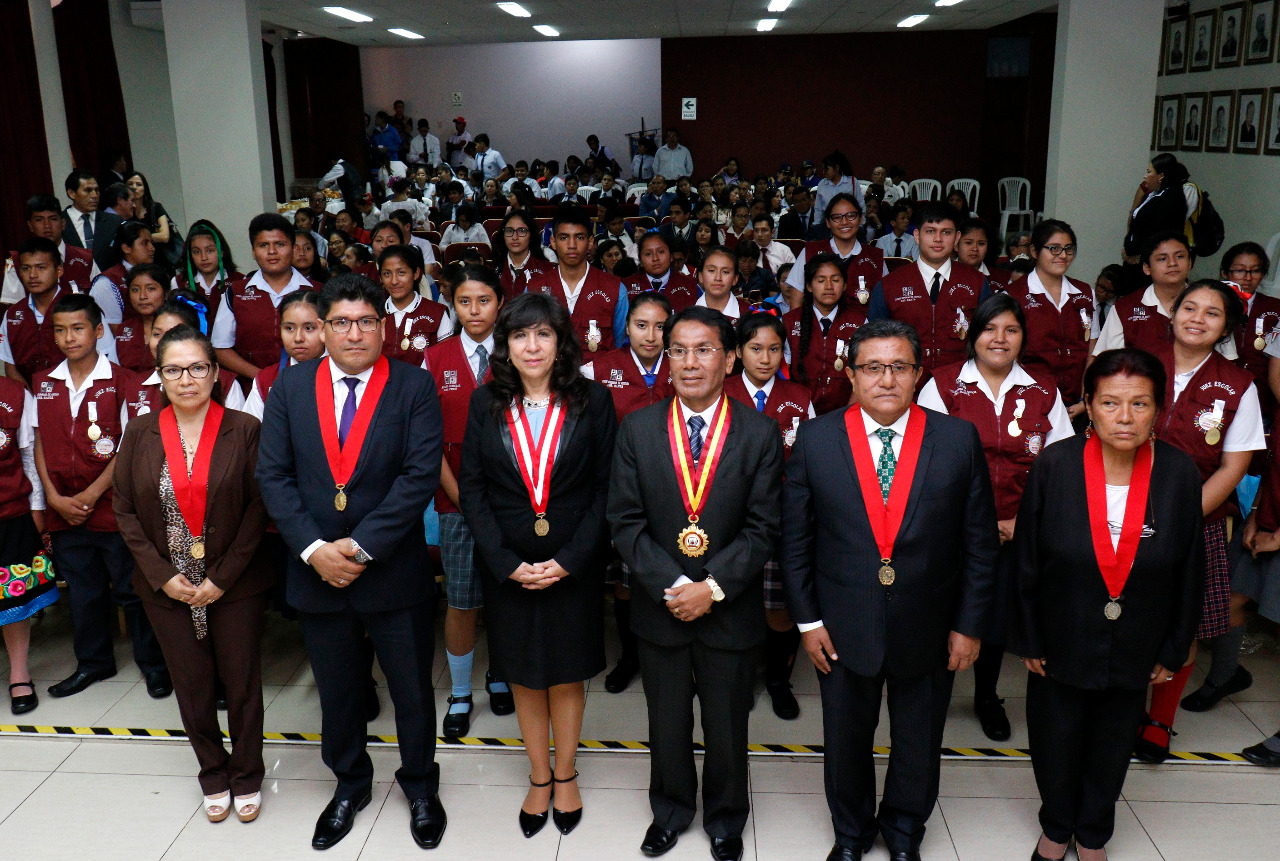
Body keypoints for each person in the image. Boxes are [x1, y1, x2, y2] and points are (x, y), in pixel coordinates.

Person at [781, 318, 998, 861]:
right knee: (846, 741)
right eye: (873, 367)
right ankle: (851, 835)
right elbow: (796, 542)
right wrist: (807, 623)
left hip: (929, 622)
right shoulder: (816, 438)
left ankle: (903, 832)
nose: (886, 379)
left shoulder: (956, 439)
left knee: (919, 742)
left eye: (899, 367)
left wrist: (969, 626)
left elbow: (979, 545)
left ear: (919, 373)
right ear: (851, 375)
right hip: (842, 623)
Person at [256, 273, 448, 851]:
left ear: (383, 327)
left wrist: (360, 548)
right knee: (338, 691)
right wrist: (316, 550)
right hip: (317, 570)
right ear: (322, 329)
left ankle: (419, 786)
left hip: (392, 569)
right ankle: (349, 785)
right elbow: (275, 475)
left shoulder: (413, 386)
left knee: (412, 689)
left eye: (367, 321)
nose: (354, 333)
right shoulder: (291, 390)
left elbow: (419, 478)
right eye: (340, 322)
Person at [1010, 349, 1203, 861]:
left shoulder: (1179, 473)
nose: (1125, 417)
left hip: (1138, 635)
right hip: (1061, 631)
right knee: (1056, 737)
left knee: (1114, 741)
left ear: (1158, 410)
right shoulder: (1055, 464)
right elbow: (1026, 558)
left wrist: (1175, 643)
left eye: (1139, 404)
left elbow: (1190, 567)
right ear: (1088, 407)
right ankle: (1056, 827)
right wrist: (1027, 634)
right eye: (1111, 403)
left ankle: (1094, 832)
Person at [609, 306, 782, 861]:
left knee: (728, 721)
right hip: (661, 606)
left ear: (730, 358)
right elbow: (625, 521)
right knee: (666, 719)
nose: (688, 362)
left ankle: (727, 817)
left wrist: (711, 587)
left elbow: (764, 526)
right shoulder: (637, 428)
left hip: (729, 607)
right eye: (678, 349)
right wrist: (674, 584)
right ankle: (670, 810)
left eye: (703, 349)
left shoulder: (759, 433)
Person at [457, 291, 614, 838]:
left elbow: (605, 490)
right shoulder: (485, 402)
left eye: (543, 334)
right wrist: (504, 562)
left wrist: (571, 559)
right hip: (510, 563)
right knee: (523, 671)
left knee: (567, 670)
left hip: (574, 561)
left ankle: (567, 773)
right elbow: (472, 489)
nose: (531, 345)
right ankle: (540, 775)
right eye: (520, 335)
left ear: (561, 341)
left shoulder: (594, 401)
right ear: (505, 345)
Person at [113, 324, 270, 824]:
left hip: (233, 582)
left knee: (242, 683)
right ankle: (212, 773)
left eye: (198, 367)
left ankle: (246, 773)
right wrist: (161, 576)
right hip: (168, 586)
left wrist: (223, 576)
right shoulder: (139, 433)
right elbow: (123, 510)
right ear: (159, 377)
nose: (187, 379)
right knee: (192, 683)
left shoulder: (244, 429)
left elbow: (257, 509)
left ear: (216, 372)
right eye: (174, 369)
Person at [918, 294, 1074, 741]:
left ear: (1024, 337)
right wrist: (979, 525)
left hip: (1021, 528)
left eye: (1011, 329)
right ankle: (933, 695)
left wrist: (1020, 523)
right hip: (954, 527)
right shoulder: (943, 384)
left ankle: (987, 695)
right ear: (972, 334)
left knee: (997, 616)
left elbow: (1060, 466)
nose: (999, 339)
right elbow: (929, 464)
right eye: (989, 328)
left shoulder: (1044, 391)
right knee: (944, 610)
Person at [1135, 280, 1264, 764]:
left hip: (1195, 523)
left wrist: (1178, 519)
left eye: (1212, 313)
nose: (1196, 318)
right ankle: (1125, 707)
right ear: (1172, 312)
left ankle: (1160, 718)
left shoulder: (1239, 384)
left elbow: (1234, 465)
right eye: (1189, 307)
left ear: (1227, 327)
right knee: (1123, 615)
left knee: (1180, 625)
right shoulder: (1139, 362)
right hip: (1120, 514)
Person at [30, 292, 170, 699]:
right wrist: (54, 498)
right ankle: (93, 663)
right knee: (84, 592)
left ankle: (154, 665)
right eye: (60, 330)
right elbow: (38, 443)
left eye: (77, 328)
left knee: (132, 590)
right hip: (64, 508)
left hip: (111, 507)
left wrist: (91, 493)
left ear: (97, 331)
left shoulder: (125, 381)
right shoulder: (44, 383)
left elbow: (129, 446)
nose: (69, 338)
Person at [420, 265, 513, 736]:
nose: (474, 311)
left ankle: (499, 678)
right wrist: (465, 500)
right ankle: (459, 693)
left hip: (513, 503)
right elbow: (427, 443)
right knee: (461, 601)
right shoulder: (435, 359)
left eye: (484, 301)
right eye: (463, 302)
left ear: (500, 302)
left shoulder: (519, 353)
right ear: (452, 305)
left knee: (505, 598)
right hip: (455, 501)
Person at [582, 293, 675, 694]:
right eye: (641, 325)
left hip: (677, 493)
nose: (651, 336)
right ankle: (630, 656)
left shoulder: (685, 364)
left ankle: (670, 654)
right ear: (626, 327)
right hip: (619, 492)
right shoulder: (598, 368)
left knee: (672, 571)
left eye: (660, 326)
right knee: (623, 578)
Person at [726, 312, 814, 719]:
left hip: (782, 517)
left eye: (774, 349)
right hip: (729, 518)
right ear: (738, 352)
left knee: (780, 607)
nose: (765, 358)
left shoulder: (799, 396)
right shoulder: (719, 393)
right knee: (733, 601)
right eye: (755, 349)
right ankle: (738, 678)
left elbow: (810, 461)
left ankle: (778, 678)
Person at [868, 202, 992, 385]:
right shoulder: (890, 285)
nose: (938, 239)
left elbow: (988, 340)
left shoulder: (977, 283)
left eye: (946, 232)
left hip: (962, 387)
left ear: (957, 237)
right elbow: (873, 343)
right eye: (930, 231)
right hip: (904, 387)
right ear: (917, 236)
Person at [1002, 220, 1096, 419]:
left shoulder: (1086, 294)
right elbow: (1007, 355)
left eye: (1068, 249)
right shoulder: (1012, 296)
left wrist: (1084, 399)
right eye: (1054, 249)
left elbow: (1092, 352)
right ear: (1034, 252)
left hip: (1076, 406)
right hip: (1029, 403)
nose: (1062, 255)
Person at [212, 214, 317, 384]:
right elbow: (220, 348)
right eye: (263, 245)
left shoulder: (317, 292)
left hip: (309, 385)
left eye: (280, 244)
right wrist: (262, 377)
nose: (272, 252)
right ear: (253, 252)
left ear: (293, 248)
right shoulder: (236, 292)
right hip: (252, 389)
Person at [0, 368, 51, 716]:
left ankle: (19, 673)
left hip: (9, 514)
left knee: (12, 599)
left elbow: (30, 457)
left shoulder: (15, 394)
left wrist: (36, 509)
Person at [2, 239, 113, 389]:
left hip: (81, 393)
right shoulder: (12, 315)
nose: (33, 275)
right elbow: (10, 367)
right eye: (26, 268)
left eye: (41, 268)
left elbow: (106, 357)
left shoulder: (82, 308)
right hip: (30, 400)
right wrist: (33, 401)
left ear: (59, 270)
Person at [527, 206, 629, 355]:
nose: (572, 245)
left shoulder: (616, 290)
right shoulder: (534, 289)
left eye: (579, 237)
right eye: (564, 237)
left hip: (598, 377)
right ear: (553, 242)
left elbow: (620, 345)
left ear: (590, 242)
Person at [1094, 231, 1204, 358]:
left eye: (1180, 256)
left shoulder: (1208, 303)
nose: (1172, 263)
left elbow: (1225, 359)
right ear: (1146, 268)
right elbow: (1107, 362)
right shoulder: (1124, 308)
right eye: (1162, 259)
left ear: (1190, 262)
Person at [784, 252, 867, 416]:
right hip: (799, 412)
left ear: (844, 285)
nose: (829, 286)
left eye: (835, 280)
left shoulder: (860, 322)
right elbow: (782, 373)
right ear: (809, 286)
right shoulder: (789, 322)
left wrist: (848, 413)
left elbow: (865, 373)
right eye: (821, 280)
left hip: (846, 411)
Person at [786, 194, 886, 302]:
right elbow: (796, 300)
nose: (844, 222)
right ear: (828, 222)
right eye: (837, 217)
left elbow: (885, 302)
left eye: (851, 215)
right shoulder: (810, 252)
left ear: (861, 219)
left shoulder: (876, 257)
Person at [3, 194, 98, 304]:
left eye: (53, 219)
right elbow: (14, 307)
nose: (47, 225)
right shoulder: (16, 260)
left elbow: (100, 300)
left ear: (63, 224)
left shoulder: (84, 258)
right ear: (30, 226)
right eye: (39, 220)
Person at [1221, 242, 1279, 416]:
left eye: (1255, 270)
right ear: (1225, 272)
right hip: (1220, 395)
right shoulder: (1212, 304)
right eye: (1240, 270)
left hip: (1263, 400)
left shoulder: (1276, 308)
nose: (1247, 277)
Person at [379, 245, 451, 367]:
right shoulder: (372, 312)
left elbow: (445, 362)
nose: (394, 281)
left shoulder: (437, 313)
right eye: (387, 274)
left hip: (424, 384)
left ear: (416, 273)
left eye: (401, 272)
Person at [90, 221, 155, 336]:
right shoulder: (107, 282)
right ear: (126, 248)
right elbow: (114, 332)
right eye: (144, 243)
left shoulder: (157, 275)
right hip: (125, 348)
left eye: (151, 243)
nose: (152, 248)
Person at [1124, 153, 1193, 262]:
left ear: (1161, 176)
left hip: (1149, 258)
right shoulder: (1155, 193)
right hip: (1135, 255)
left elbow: (1155, 232)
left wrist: (1133, 250)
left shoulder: (1170, 198)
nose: (1145, 176)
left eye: (1149, 172)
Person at [173, 220, 240, 324]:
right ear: (190, 255)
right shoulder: (178, 282)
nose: (204, 257)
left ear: (221, 252)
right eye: (197, 252)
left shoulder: (239, 281)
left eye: (210, 251)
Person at [62, 169, 122, 270]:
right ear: (72, 193)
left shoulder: (114, 221)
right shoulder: (58, 222)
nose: (94, 195)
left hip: (107, 281)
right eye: (88, 190)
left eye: (97, 190)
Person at [622, 233, 699, 311]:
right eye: (648, 254)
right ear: (640, 260)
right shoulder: (626, 286)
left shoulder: (691, 285)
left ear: (671, 256)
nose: (655, 258)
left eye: (661, 252)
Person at [114, 264, 169, 374]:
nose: (142, 296)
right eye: (135, 290)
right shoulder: (124, 329)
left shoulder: (176, 326)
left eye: (150, 289)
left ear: (166, 293)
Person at [494, 209, 554, 300]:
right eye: (509, 231)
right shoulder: (492, 270)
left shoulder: (547, 270)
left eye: (522, 231)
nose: (515, 237)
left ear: (531, 235)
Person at [124, 171, 175, 257]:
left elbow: (165, 236)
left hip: (160, 257)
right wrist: (154, 236)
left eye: (139, 184)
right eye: (130, 184)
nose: (134, 187)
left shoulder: (155, 208)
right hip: (137, 259)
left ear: (145, 188)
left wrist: (139, 240)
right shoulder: (125, 213)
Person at [812, 151, 863, 230]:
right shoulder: (822, 184)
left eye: (826, 169)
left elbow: (860, 204)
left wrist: (860, 225)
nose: (824, 172)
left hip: (849, 222)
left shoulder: (852, 181)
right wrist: (816, 225)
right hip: (828, 225)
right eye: (823, 169)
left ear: (836, 168)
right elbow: (818, 208)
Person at [694, 248, 744, 323]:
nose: (718, 278)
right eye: (711, 270)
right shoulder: (685, 314)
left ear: (735, 279)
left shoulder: (750, 314)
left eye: (725, 272)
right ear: (700, 276)